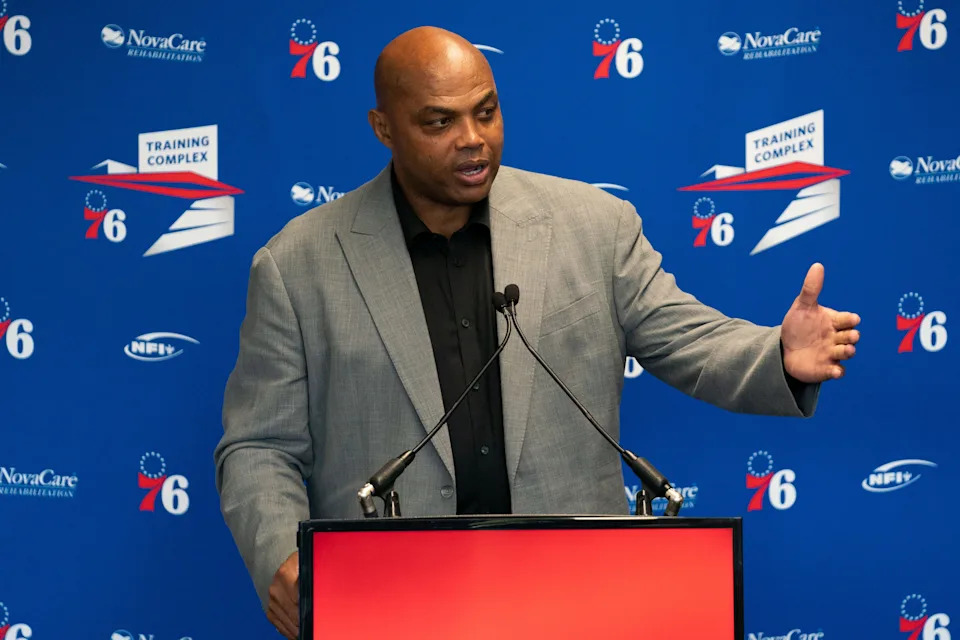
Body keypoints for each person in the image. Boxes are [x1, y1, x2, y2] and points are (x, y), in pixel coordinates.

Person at [214, 26, 861, 639]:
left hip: (575, 596)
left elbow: (688, 342)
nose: (473, 139)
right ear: (383, 128)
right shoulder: (298, 266)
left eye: (487, 112)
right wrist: (280, 556)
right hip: (389, 600)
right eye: (440, 122)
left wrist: (777, 353)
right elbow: (257, 445)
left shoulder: (594, 227)